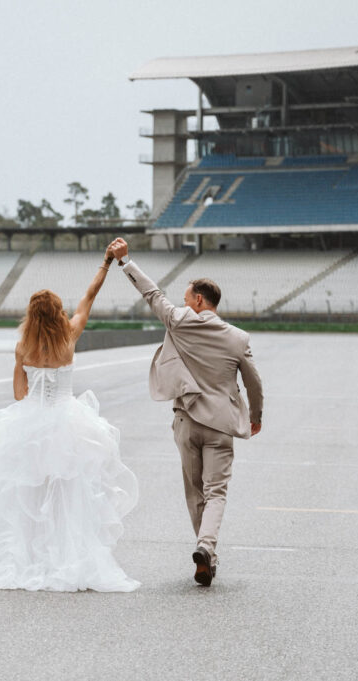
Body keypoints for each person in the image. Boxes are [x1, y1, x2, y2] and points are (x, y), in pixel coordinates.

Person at [0, 244, 139, 592]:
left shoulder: (22, 347)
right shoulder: (70, 336)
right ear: (58, 312)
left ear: (31, 317)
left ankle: (28, 557)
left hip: (30, 422)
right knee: (68, 494)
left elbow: (19, 394)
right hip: (68, 421)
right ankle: (65, 556)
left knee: (27, 493)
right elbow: (89, 296)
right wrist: (106, 263)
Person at [109, 237, 262, 587]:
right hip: (222, 425)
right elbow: (254, 382)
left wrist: (125, 261)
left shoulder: (180, 321)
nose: (182, 303)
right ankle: (206, 547)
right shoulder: (238, 338)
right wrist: (256, 416)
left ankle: (205, 551)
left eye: (186, 298)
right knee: (216, 492)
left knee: (195, 493)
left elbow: (151, 294)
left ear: (198, 300)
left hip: (187, 423)